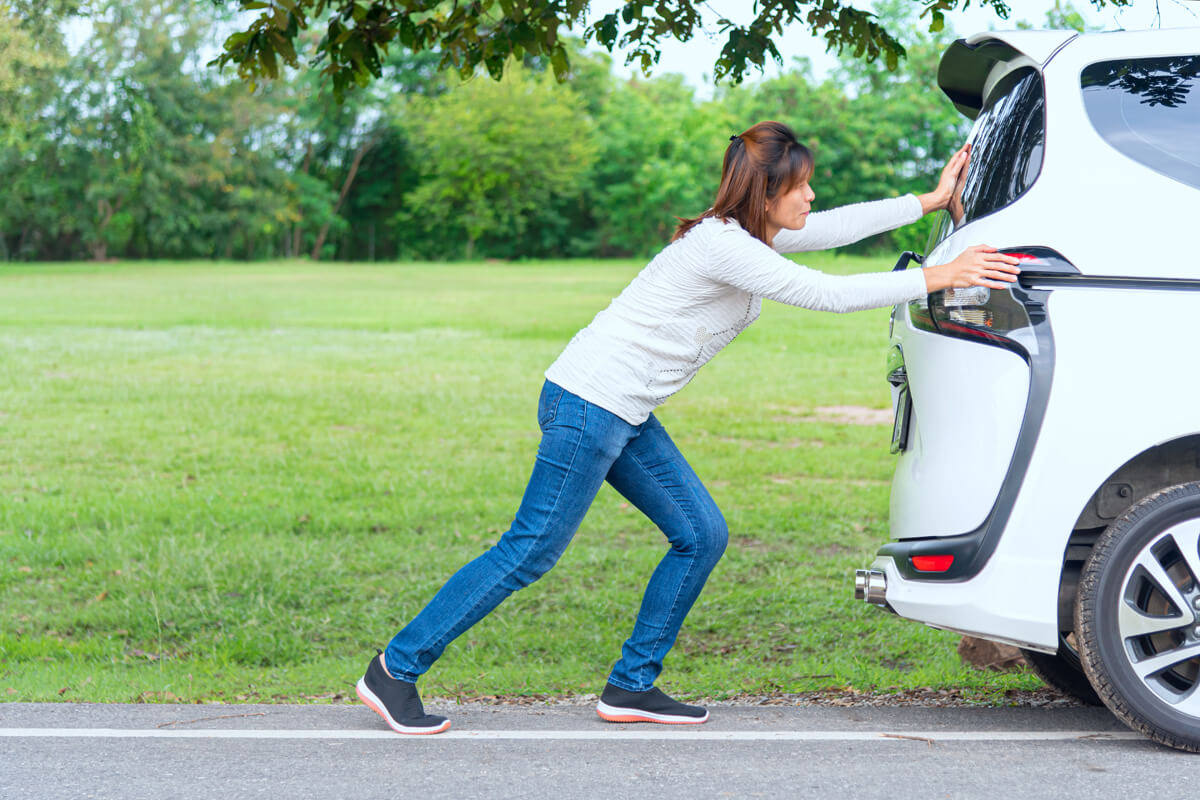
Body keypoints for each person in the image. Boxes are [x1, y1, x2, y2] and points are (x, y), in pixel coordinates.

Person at [356, 121, 1020, 734]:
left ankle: (630, 685)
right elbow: (827, 294)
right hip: (589, 403)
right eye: (801, 185)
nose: (812, 196)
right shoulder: (723, 246)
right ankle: (395, 671)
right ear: (767, 190)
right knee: (529, 550)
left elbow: (836, 228)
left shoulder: (751, 235)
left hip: (622, 410)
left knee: (700, 534)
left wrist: (929, 201)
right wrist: (941, 276)